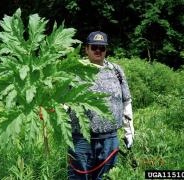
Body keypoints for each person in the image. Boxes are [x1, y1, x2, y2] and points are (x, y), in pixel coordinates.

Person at [68, 31, 134, 180]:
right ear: (86, 49)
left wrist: (129, 132)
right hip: (80, 139)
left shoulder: (116, 70)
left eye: (102, 48)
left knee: (106, 177)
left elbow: (126, 101)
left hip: (110, 139)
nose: (98, 50)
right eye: (94, 47)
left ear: (106, 50)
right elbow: (62, 101)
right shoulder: (74, 70)